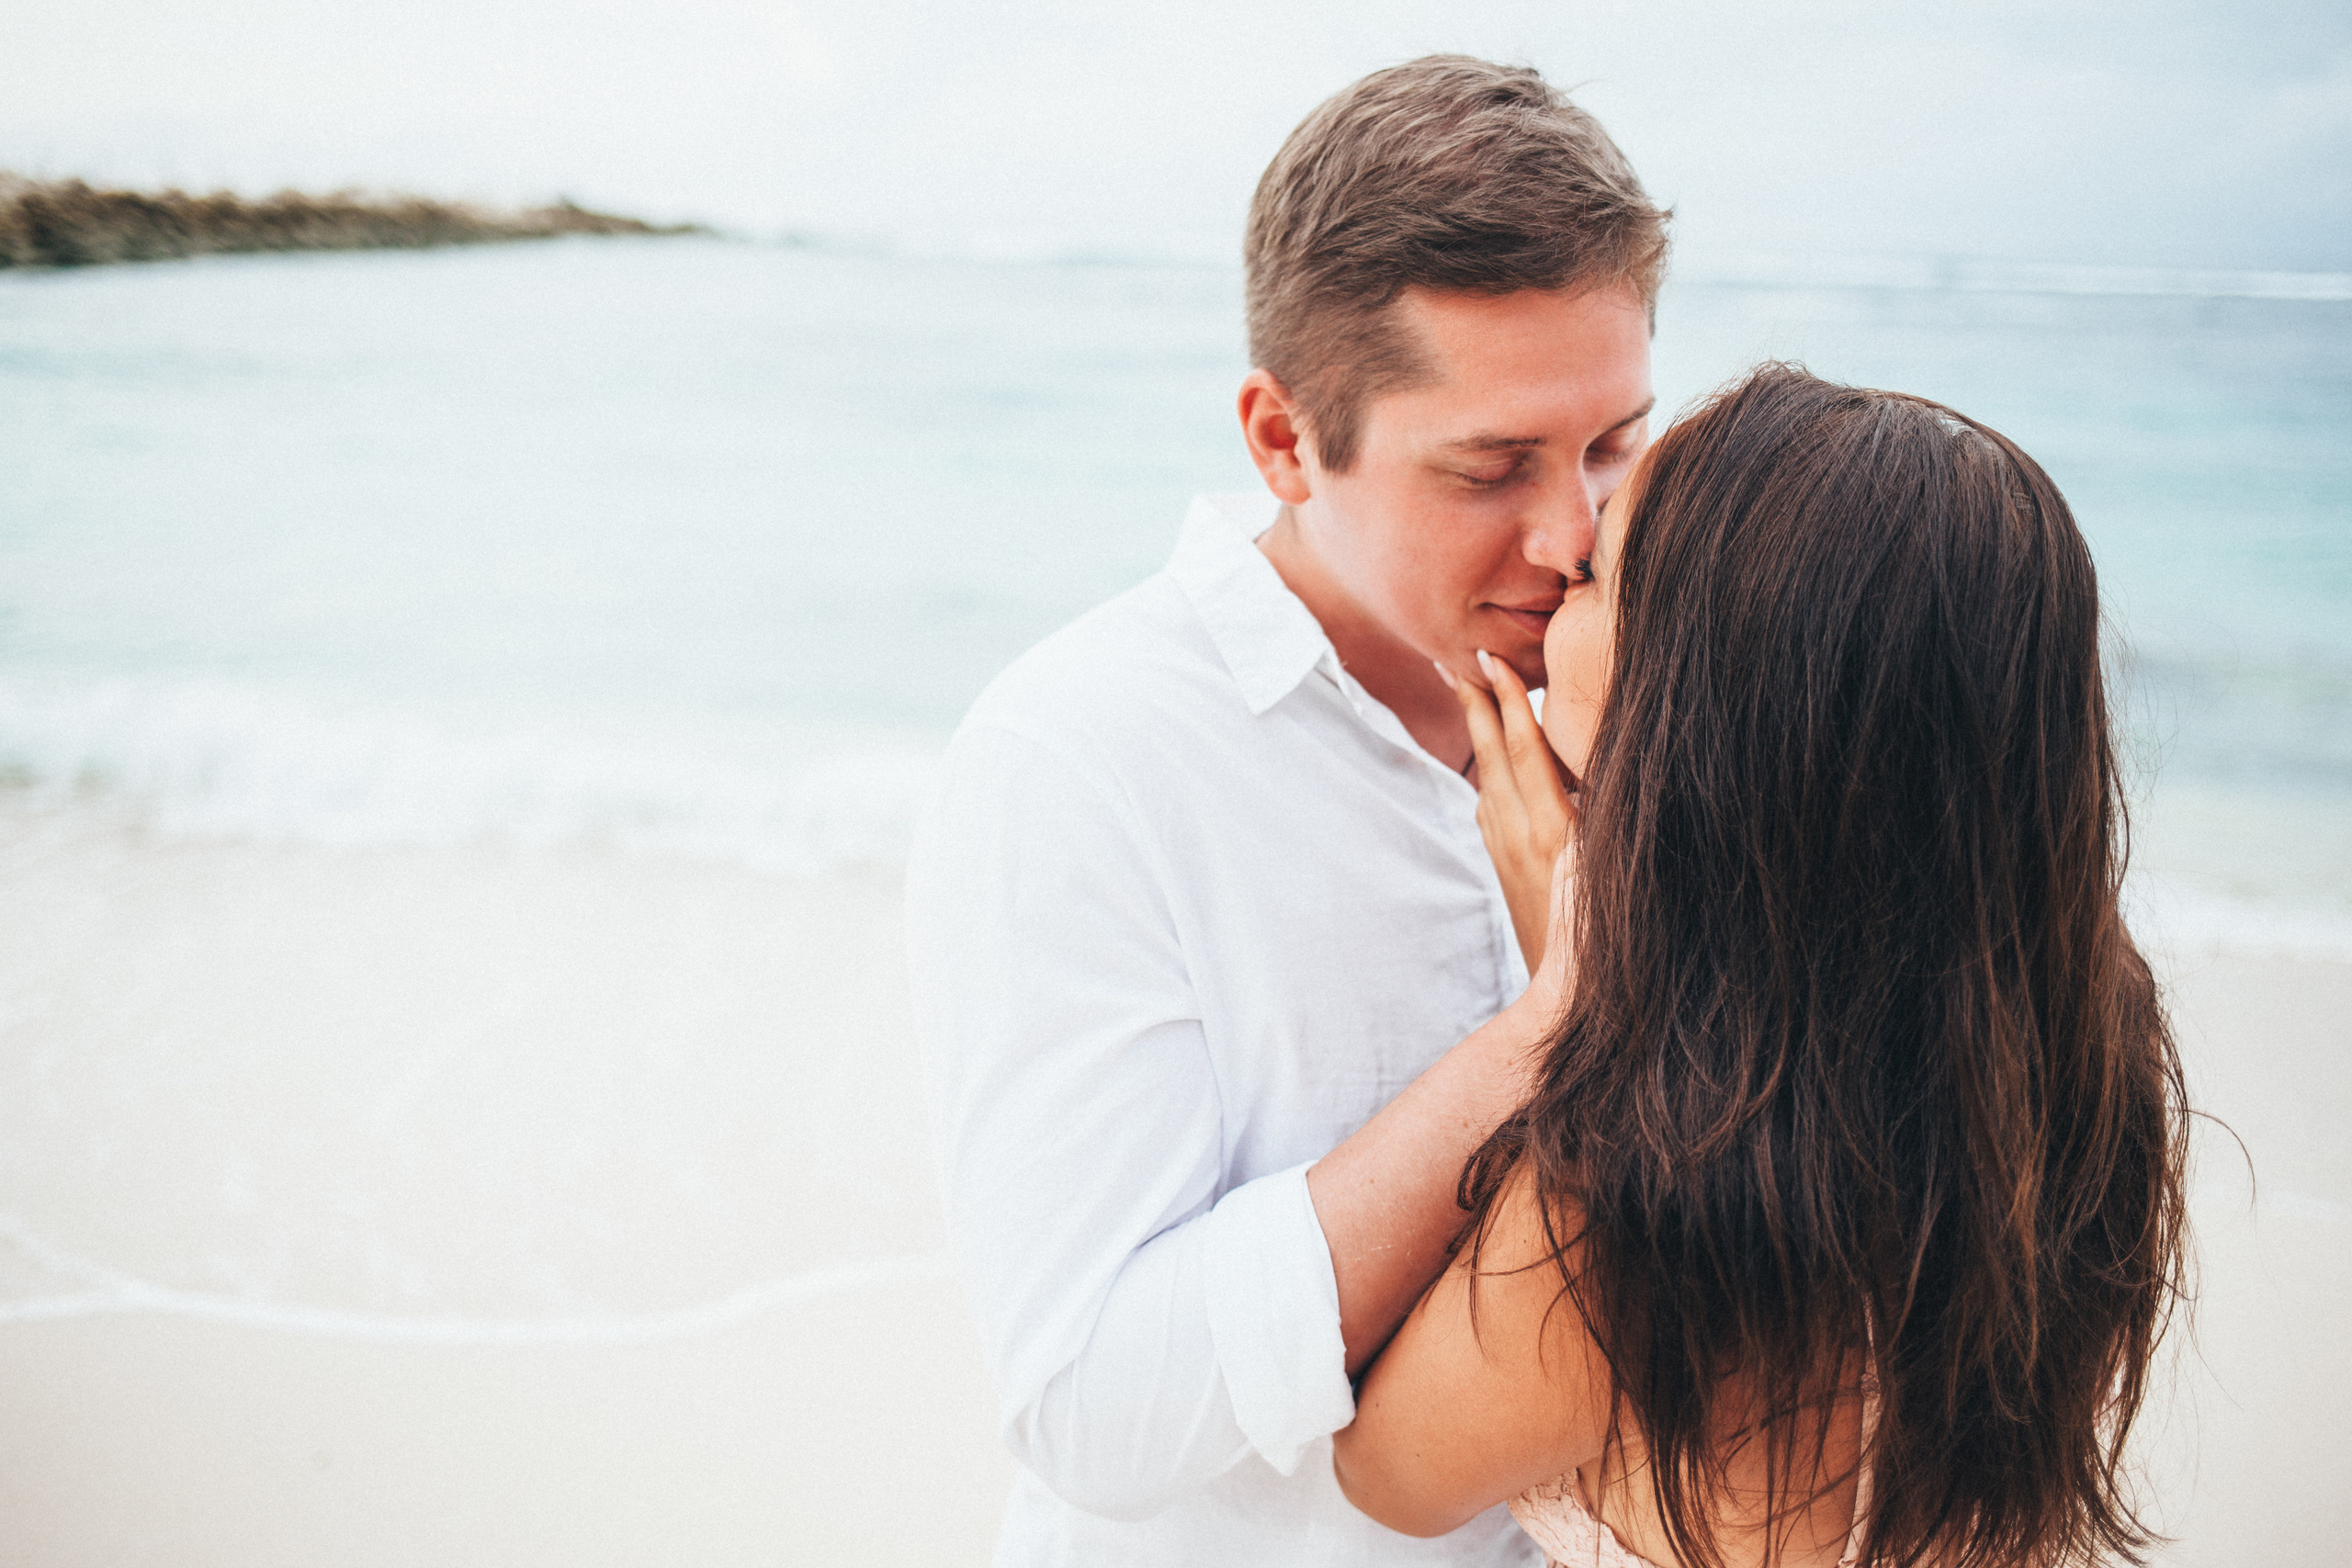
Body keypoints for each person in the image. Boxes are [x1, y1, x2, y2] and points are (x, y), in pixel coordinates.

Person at [905, 56, 1665, 1565]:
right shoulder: (1079, 759)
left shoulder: (1658, 700)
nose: (1575, 536)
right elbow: (1093, 1412)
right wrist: (1557, 1027)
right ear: (1281, 440)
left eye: (1611, 444)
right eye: (1491, 467)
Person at [1335, 366, 2191, 1568]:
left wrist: (1567, 997)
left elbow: (1384, 1476)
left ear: (1698, 700)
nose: (1556, 577)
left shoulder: (1622, 1224)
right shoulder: (2082, 1048)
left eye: (1594, 579)